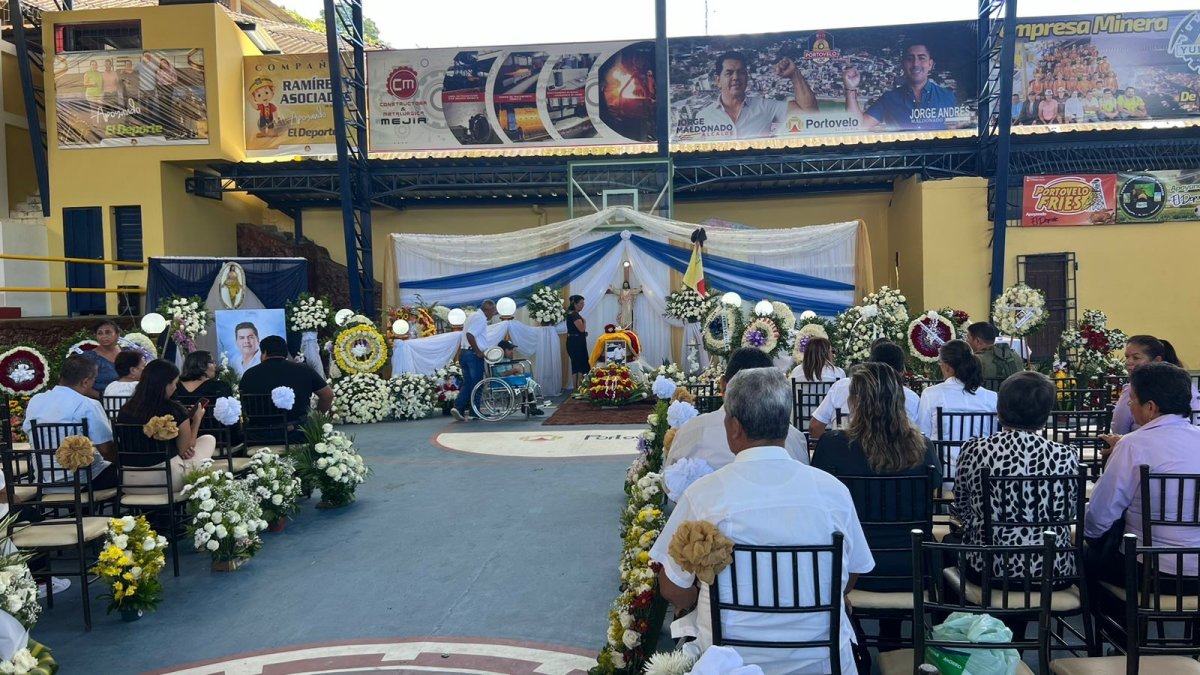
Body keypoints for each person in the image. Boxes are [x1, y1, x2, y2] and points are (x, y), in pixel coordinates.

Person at [649, 367, 873, 674]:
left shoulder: (704, 495)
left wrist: (705, 595)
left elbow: (673, 589)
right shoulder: (833, 492)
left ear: (734, 427)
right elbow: (852, 574)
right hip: (821, 664)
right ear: (786, 424)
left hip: (729, 663)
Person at [952, 372, 1079, 584]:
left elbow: (961, 506)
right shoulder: (1066, 455)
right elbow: (1069, 510)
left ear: (1000, 410)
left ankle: (967, 616)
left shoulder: (975, 449)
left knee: (949, 546)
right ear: (1046, 414)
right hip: (1052, 569)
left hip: (988, 568)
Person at [1085, 363, 1200, 588]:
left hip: (1148, 571)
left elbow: (1100, 515)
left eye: (1133, 399)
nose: (1129, 403)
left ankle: (1117, 622)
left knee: (1085, 560)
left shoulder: (1132, 445)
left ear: (1150, 407)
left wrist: (1089, 534)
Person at [665, 347, 809, 470]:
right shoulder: (795, 437)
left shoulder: (692, 431)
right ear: (773, 388)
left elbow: (671, 485)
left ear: (723, 385)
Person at [116, 360, 215, 493]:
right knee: (208, 439)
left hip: (128, 481)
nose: (175, 388)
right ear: (165, 385)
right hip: (166, 480)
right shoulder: (175, 410)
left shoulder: (125, 410)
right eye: (174, 383)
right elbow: (185, 450)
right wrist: (196, 420)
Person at [22, 355, 118, 491]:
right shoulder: (87, 404)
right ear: (85, 382)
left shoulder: (36, 400)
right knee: (130, 474)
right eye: (94, 380)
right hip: (84, 480)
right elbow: (106, 449)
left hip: (44, 480)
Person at [688, 51, 818, 140]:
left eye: (741, 72)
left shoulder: (764, 106)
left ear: (747, 77)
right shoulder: (703, 116)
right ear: (718, 80)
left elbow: (810, 114)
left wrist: (794, 74)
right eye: (729, 73)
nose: (736, 78)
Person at [1100, 335, 1198, 450]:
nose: (1129, 362)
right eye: (1127, 357)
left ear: (1157, 361)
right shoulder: (1187, 385)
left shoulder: (1134, 389)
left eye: (1136, 358)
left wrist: (1123, 442)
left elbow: (1119, 427)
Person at [809, 341, 919, 440]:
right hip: (896, 458)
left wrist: (831, 449)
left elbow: (815, 427)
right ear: (901, 371)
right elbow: (922, 436)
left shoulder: (841, 387)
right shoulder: (911, 398)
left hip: (843, 457)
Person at [843, 42, 962, 131]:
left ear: (930, 64)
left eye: (921, 58)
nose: (916, 64)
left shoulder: (947, 97)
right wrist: (850, 88)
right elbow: (859, 126)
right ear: (903, 65)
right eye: (910, 59)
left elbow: (954, 131)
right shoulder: (889, 98)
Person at [239, 336, 333, 442]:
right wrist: (314, 418)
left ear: (264, 353)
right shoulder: (303, 370)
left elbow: (244, 405)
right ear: (285, 352)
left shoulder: (249, 375)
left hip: (258, 435)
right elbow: (328, 395)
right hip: (297, 433)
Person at [916, 340, 998, 441]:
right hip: (980, 455)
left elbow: (923, 433)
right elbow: (993, 435)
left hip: (943, 456)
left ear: (946, 366)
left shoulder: (930, 394)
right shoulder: (991, 397)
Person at [452, 301, 497, 421]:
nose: (493, 314)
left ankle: (459, 407)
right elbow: (470, 335)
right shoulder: (480, 319)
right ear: (487, 310)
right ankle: (474, 411)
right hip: (473, 355)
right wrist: (478, 351)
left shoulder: (472, 316)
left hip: (464, 353)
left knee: (468, 383)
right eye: (493, 312)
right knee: (477, 384)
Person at [79, 319, 133, 398]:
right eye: (100, 333)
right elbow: (83, 385)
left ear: (117, 334)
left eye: (108, 332)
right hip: (101, 401)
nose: (104, 336)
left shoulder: (127, 352)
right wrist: (105, 400)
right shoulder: (89, 357)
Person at [492, 339, 543, 416]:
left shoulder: (507, 360)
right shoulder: (499, 361)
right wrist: (514, 370)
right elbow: (502, 374)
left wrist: (516, 372)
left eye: (512, 349)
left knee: (526, 378)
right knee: (526, 382)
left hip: (509, 380)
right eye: (509, 350)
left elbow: (509, 372)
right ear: (502, 351)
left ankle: (529, 406)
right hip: (502, 381)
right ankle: (531, 407)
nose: (512, 351)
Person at [564, 295, 590, 391]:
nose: (583, 305)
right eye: (581, 303)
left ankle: (576, 388)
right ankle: (580, 387)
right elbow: (581, 329)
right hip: (576, 343)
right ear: (575, 304)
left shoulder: (570, 313)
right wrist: (584, 321)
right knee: (580, 364)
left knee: (575, 364)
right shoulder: (574, 314)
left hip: (572, 341)